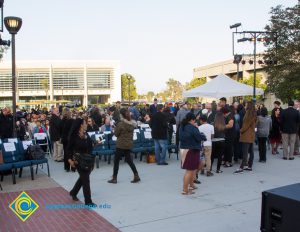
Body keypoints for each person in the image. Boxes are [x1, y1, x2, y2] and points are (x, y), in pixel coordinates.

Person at [68, 118, 96, 206]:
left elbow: (90, 146)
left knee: (83, 178)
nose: (86, 124)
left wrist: (95, 143)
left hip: (87, 160)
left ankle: (73, 192)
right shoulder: (74, 136)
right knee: (86, 180)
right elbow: (68, 149)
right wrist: (69, 160)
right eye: (85, 123)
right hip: (78, 161)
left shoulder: (86, 134)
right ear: (81, 125)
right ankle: (88, 201)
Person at [108, 108, 140, 184]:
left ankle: (114, 178)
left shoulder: (120, 124)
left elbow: (116, 134)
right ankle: (136, 175)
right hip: (128, 144)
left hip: (120, 145)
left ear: (121, 115)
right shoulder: (132, 123)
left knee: (116, 161)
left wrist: (115, 129)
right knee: (129, 160)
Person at [179, 113, 206, 195]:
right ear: (192, 120)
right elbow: (200, 137)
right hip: (192, 150)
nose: (195, 122)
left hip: (184, 149)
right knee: (190, 171)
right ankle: (185, 190)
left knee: (192, 169)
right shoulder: (192, 128)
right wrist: (202, 135)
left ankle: (190, 186)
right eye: (195, 120)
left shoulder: (182, 126)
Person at [234, 101, 257, 174]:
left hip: (246, 135)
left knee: (245, 152)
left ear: (248, 106)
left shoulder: (248, 114)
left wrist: (240, 130)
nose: (245, 106)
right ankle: (250, 166)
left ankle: (241, 167)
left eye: (246, 105)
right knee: (251, 151)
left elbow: (245, 126)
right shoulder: (254, 113)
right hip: (251, 134)